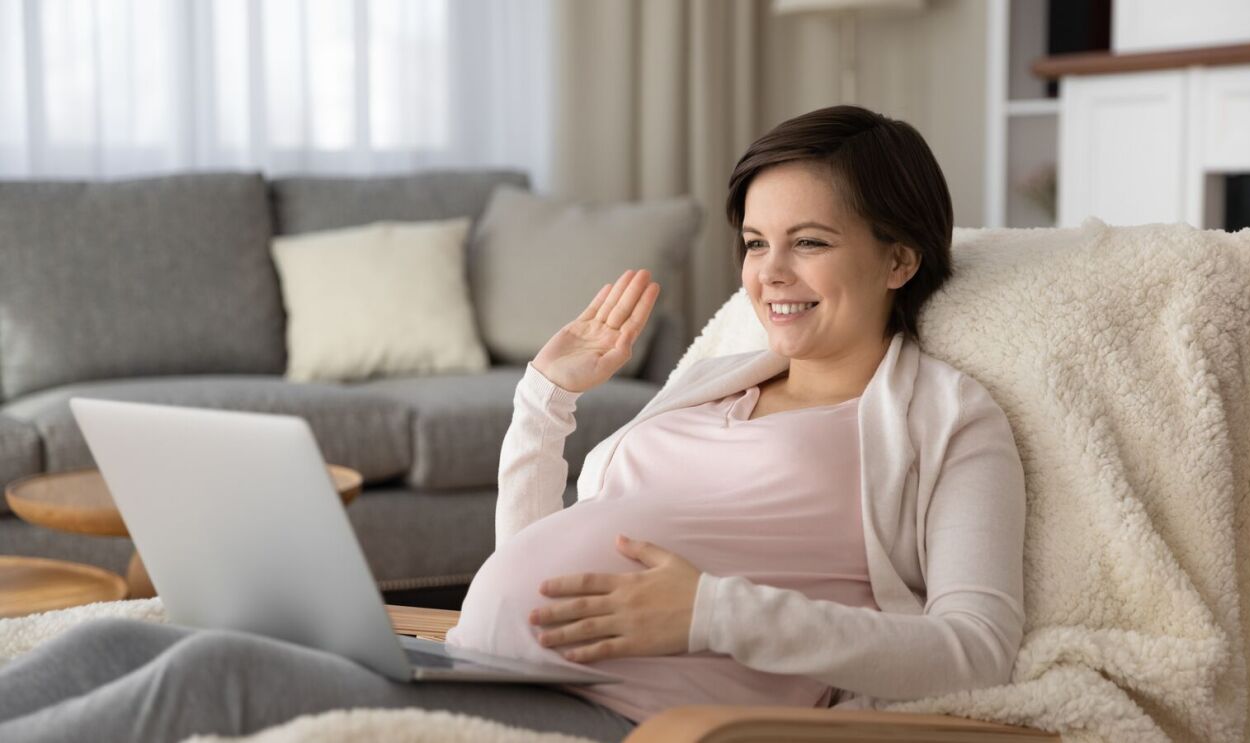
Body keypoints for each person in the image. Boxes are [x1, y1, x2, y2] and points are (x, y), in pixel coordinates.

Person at [0, 104, 1025, 743]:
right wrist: (545, 397)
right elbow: (534, 557)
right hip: (499, 662)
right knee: (147, 634)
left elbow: (975, 648)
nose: (770, 274)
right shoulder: (721, 378)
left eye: (808, 242)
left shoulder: (943, 419)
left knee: (213, 671)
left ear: (898, 258)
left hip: (617, 715)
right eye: (756, 242)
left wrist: (710, 612)